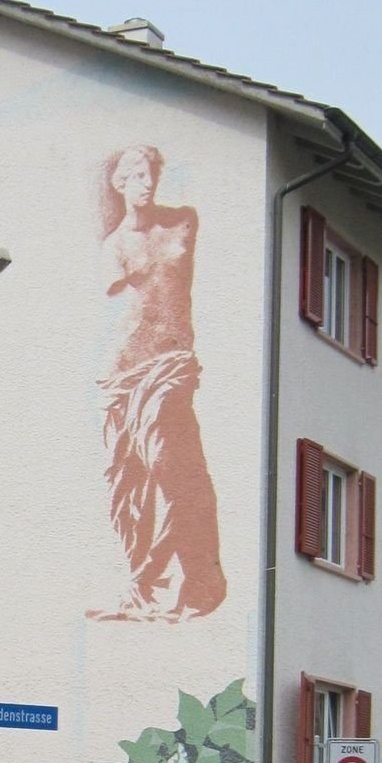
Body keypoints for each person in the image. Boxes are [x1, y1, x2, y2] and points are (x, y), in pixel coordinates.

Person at [89, 145, 226, 622]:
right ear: (120, 184)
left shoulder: (182, 222)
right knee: (128, 481)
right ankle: (146, 583)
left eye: (152, 175)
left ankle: (195, 583)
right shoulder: (115, 246)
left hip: (170, 366)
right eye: (138, 176)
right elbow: (116, 308)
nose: (148, 184)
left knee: (175, 468)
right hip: (126, 368)